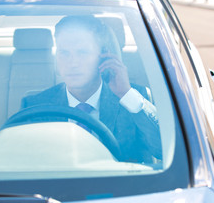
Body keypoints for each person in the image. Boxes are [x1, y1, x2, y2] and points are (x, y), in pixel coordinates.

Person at [21, 15, 162, 163]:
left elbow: (164, 149)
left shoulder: (131, 99)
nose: (73, 63)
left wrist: (125, 94)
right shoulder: (34, 106)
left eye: (82, 52)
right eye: (64, 53)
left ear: (103, 57)